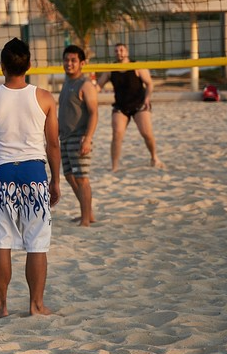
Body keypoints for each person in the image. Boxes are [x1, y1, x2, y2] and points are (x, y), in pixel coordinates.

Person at [0, 37, 61, 318]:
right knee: (36, 243)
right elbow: (53, 145)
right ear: (29, 65)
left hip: (2, 173)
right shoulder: (45, 97)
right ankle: (36, 305)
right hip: (34, 173)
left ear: (2, 66)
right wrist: (56, 180)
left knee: (2, 241)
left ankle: (0, 307)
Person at [96, 43, 164, 172]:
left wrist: (147, 98)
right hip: (121, 106)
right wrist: (90, 94)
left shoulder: (136, 66)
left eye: (121, 50)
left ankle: (154, 157)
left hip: (139, 104)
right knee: (117, 134)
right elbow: (98, 86)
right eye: (116, 51)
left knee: (146, 133)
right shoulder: (110, 69)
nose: (119, 52)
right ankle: (114, 166)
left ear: (127, 51)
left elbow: (149, 84)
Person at [58, 45, 98, 227]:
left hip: (79, 137)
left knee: (82, 178)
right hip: (65, 137)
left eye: (73, 60)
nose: (69, 63)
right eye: (66, 59)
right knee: (69, 175)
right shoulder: (66, 83)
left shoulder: (86, 84)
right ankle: (87, 213)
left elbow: (94, 113)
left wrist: (88, 138)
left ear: (82, 63)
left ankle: (86, 220)